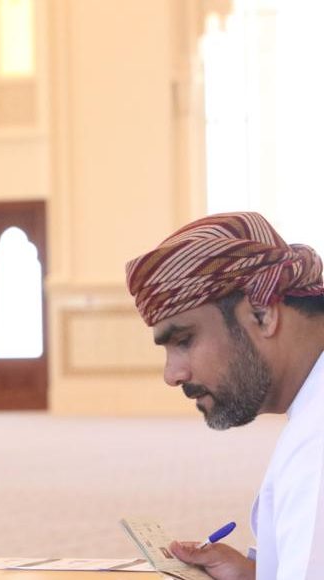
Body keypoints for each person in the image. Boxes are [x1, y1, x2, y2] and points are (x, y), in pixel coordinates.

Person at [125, 212, 324, 580]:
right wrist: (255, 574)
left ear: (262, 314)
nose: (172, 375)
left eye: (184, 340)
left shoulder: (317, 444)